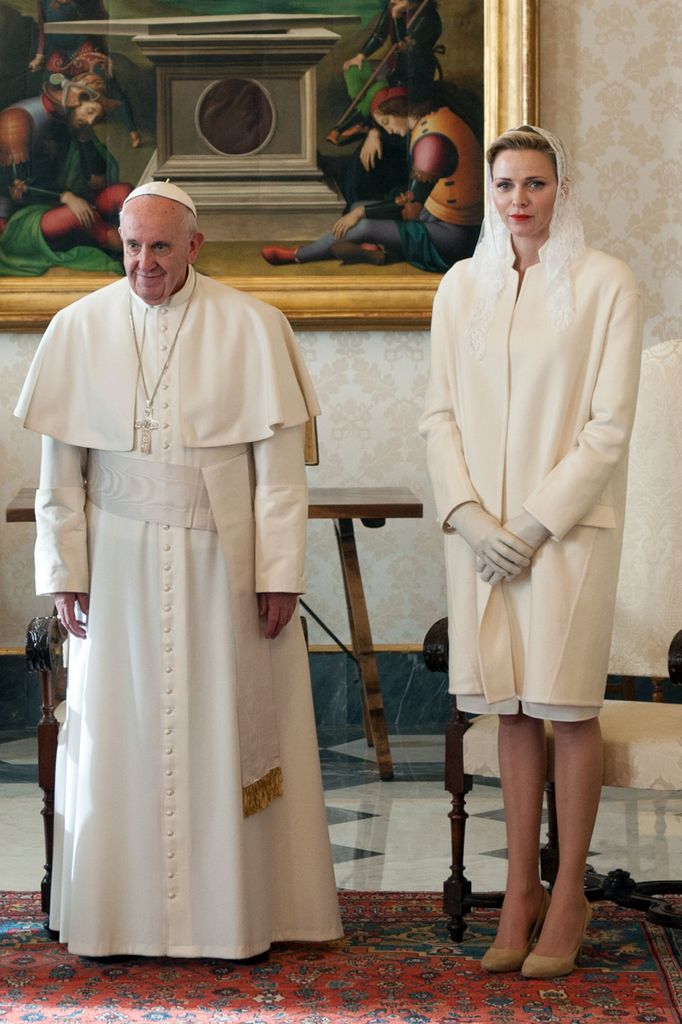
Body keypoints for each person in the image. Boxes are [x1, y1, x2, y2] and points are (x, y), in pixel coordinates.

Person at [15, 180, 342, 959]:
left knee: (220, 729)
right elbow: (60, 474)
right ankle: (115, 917)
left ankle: (235, 917)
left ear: (193, 246)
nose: (143, 263)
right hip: (118, 569)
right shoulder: (78, 328)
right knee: (121, 734)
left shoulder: (253, 327)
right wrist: (66, 570)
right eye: (131, 246)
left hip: (218, 565)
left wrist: (279, 573)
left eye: (160, 246)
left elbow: (279, 474)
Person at [419, 126, 642, 978]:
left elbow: (608, 428)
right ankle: (519, 891)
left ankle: (569, 891)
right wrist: (473, 519)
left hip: (567, 533)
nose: (519, 200)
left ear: (561, 188)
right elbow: (439, 413)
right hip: (480, 539)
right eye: (506, 184)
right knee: (510, 705)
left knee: (567, 705)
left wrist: (536, 523)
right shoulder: (458, 288)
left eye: (535, 184)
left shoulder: (606, 285)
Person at [262, 87, 482, 273]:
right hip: (435, 215)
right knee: (358, 207)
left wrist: (360, 214)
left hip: (454, 237)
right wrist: (360, 210)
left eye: (386, 121)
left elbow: (411, 205)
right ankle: (378, 250)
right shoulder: (433, 118)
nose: (387, 129)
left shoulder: (431, 142)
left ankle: (298, 255)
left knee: (362, 222)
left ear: (401, 110)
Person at [0, 72, 130, 275]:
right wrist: (66, 197)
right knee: (82, 215)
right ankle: (132, 253)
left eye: (96, 118)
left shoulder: (70, 121)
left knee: (122, 193)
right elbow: (18, 189)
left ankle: (135, 246)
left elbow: (97, 182)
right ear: (74, 99)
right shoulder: (17, 120)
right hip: (17, 222)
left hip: (58, 206)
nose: (90, 121)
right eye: (88, 112)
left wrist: (84, 139)